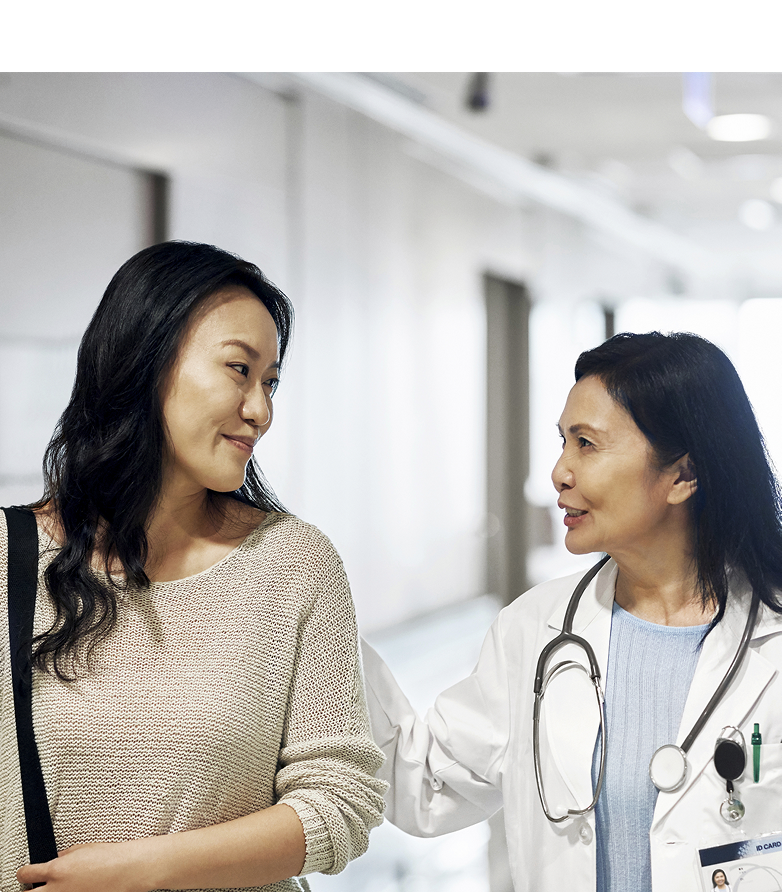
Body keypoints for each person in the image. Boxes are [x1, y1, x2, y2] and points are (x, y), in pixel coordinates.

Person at [1, 240, 385, 892]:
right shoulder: (10, 559)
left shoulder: (295, 565)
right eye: (240, 370)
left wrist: (144, 871)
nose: (261, 411)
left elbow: (340, 801)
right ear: (143, 362)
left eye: (270, 383)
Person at [362, 331, 782, 891]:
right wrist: (318, 619)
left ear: (682, 475)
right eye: (563, 442)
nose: (560, 471)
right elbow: (424, 785)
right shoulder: (535, 630)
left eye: (586, 444)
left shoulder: (771, 640)